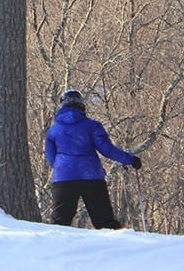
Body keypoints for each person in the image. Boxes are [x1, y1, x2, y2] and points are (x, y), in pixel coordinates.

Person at [44, 89, 142, 229]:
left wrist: (63, 168)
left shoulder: (53, 130)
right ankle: (117, 243)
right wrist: (130, 160)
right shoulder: (92, 126)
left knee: (59, 224)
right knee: (105, 223)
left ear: (62, 105)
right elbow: (107, 150)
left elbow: (50, 157)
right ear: (81, 105)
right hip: (91, 176)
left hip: (64, 178)